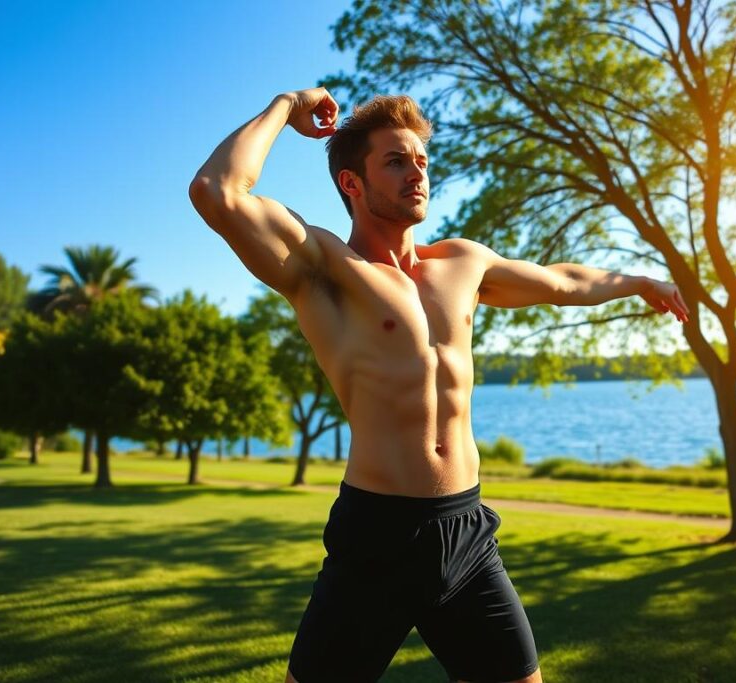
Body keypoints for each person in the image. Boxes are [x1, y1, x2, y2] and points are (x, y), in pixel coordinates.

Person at [189, 86, 690, 683]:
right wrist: (283, 106)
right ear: (352, 182)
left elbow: (561, 281)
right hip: (377, 538)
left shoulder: (462, 264)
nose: (416, 174)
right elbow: (217, 191)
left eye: (421, 161)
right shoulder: (324, 267)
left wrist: (638, 281)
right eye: (396, 161)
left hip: (467, 532)